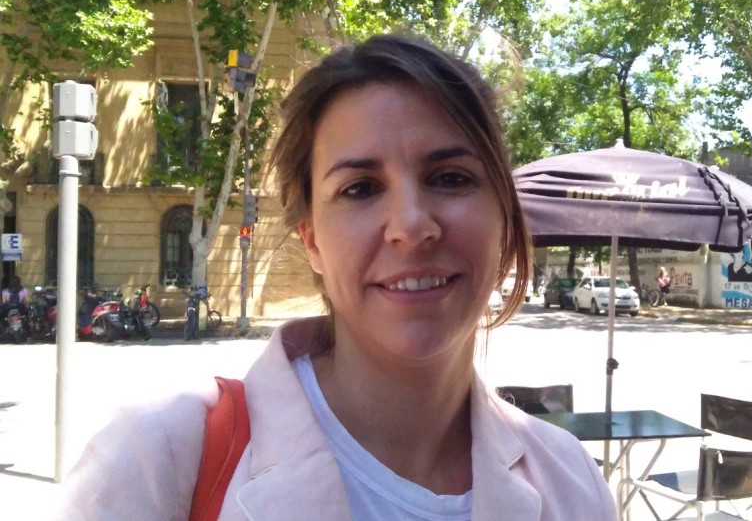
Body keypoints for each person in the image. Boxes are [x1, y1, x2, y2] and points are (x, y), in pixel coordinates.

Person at [55, 35, 617, 520]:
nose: (412, 226)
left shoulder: (572, 484)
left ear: (504, 218)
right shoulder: (156, 459)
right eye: (360, 189)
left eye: (450, 178)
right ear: (312, 241)